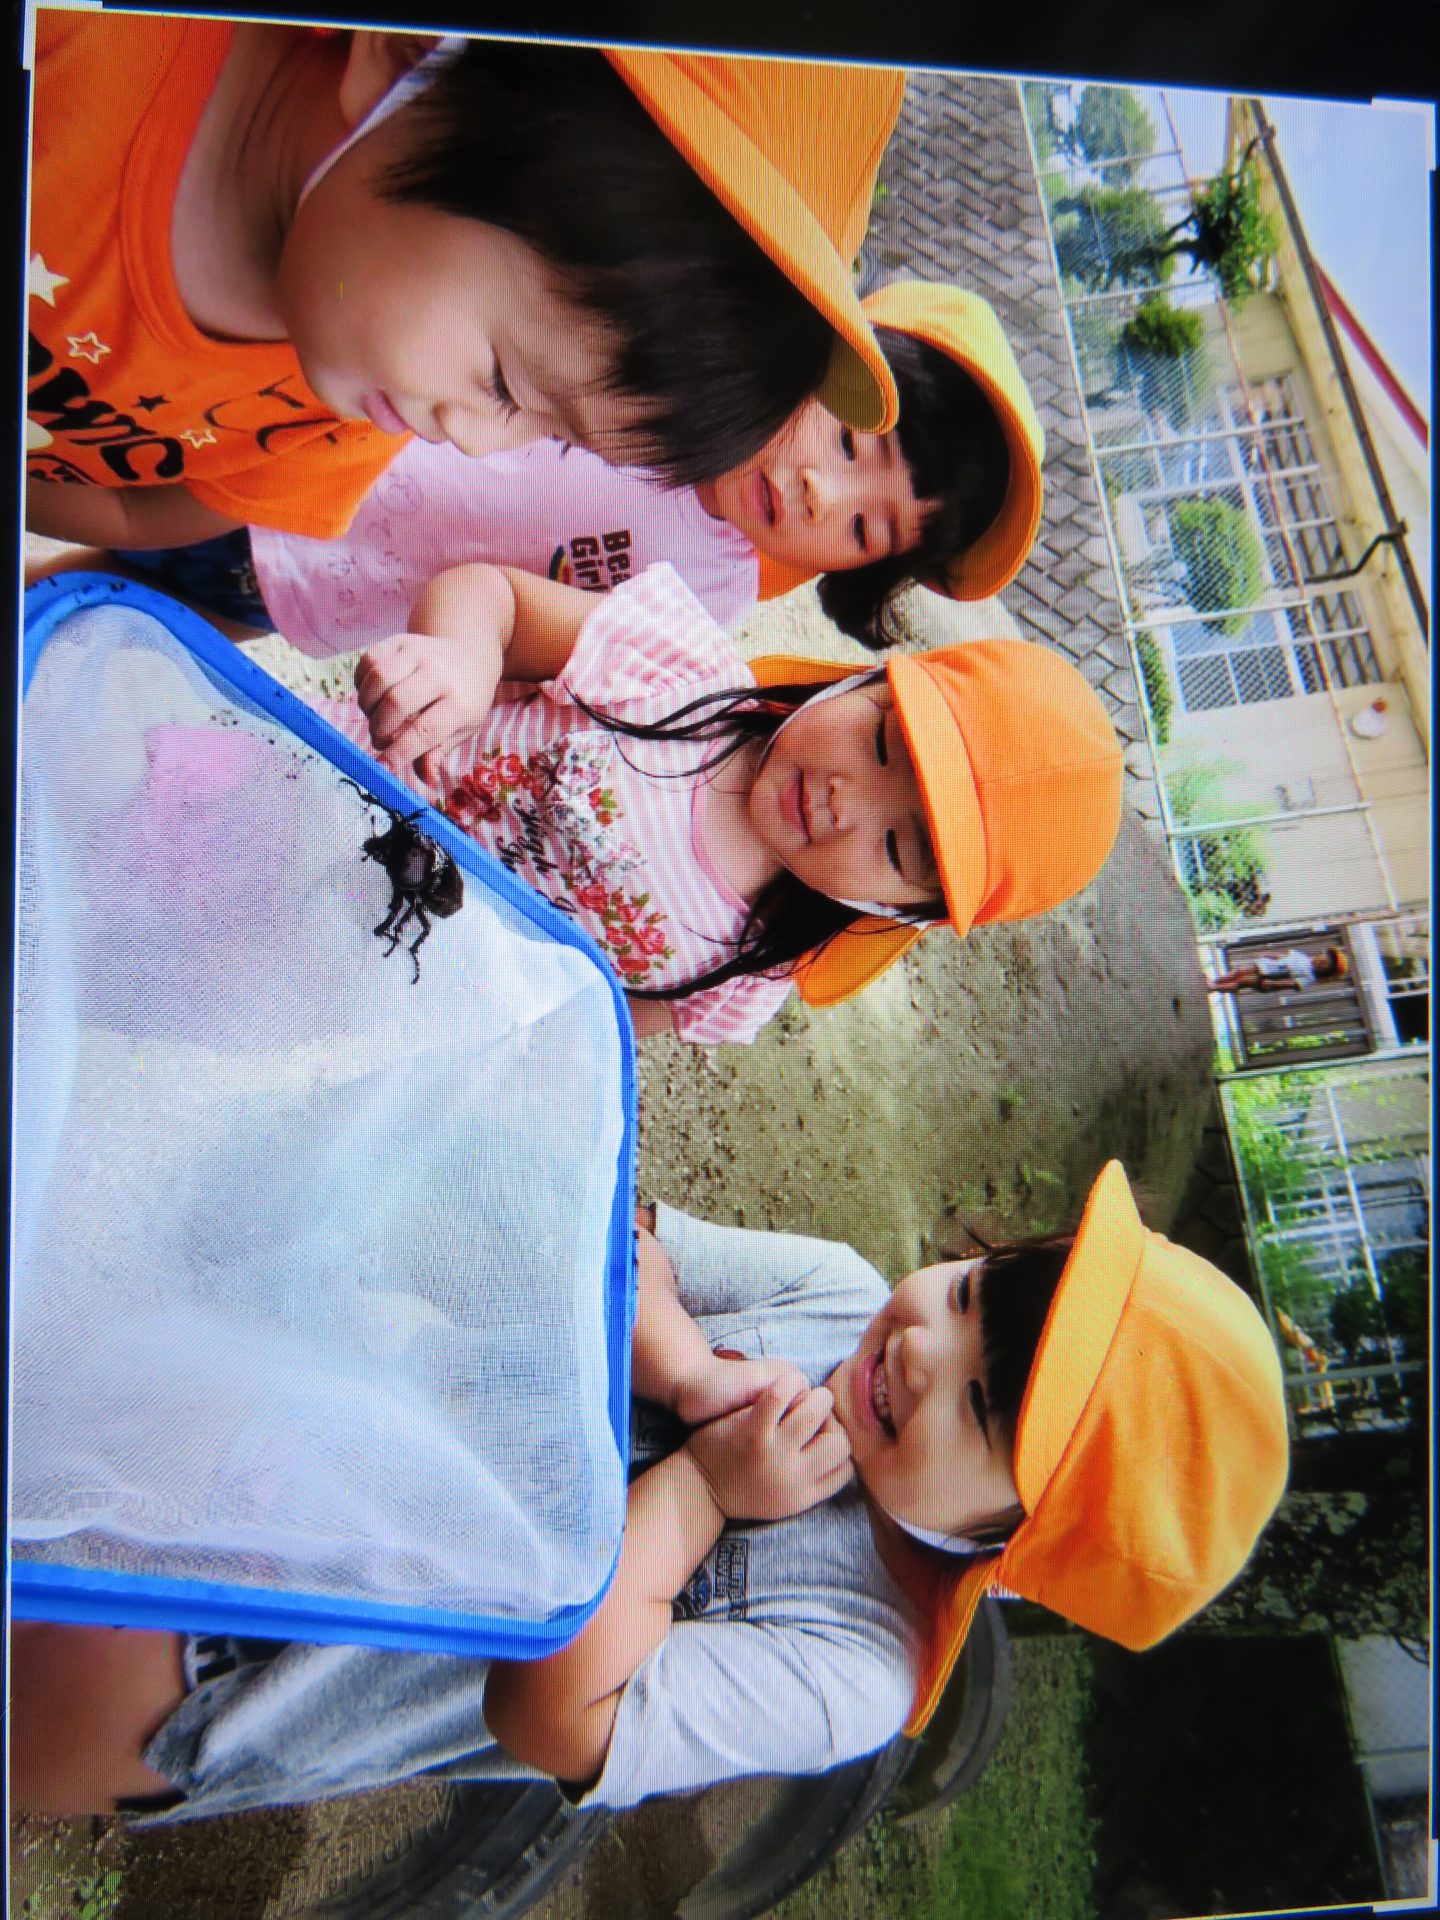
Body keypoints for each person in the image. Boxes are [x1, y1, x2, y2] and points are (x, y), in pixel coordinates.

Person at [9, 1162, 1291, 1819]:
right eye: (967, 1295)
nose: (921, 1348)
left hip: (264, 1665)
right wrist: (681, 1365)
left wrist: (703, 1490)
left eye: (984, 1405)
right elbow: (614, 1236)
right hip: (301, 1426)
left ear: (1014, 1549)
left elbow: (551, 1718)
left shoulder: (857, 1667)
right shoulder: (836, 1295)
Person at [26, 19, 905, 550]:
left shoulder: (351, 408)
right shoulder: (67, 48)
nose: (479, 445)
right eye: (506, 382)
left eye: (554, 436)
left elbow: (141, 513)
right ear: (406, 52)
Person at [321, 559, 1124, 1041]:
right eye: (882, 742)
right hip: (327, 780)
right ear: (863, 682)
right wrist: (461, 659)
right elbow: (492, 595)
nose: (843, 802)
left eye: (894, 846)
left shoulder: (747, 973)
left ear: (901, 911)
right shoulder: (681, 670)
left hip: (374, 983)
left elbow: (593, 1020)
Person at [103, 281, 1045, 651]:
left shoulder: (705, 598)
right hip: (299, 448)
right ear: (830, 365)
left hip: (325, 596)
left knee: (123, 622)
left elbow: (544, 654)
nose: (817, 493)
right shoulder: (669, 351)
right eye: (848, 445)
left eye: (864, 528)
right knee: (107, 494)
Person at [1207, 946, 1348, 995]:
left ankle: (1214, 987)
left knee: (1242, 982)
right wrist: (1266, 954)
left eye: (1325, 964)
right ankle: (1215, 981)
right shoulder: (1303, 957)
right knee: (1239, 971)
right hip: (1266, 965)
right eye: (1324, 957)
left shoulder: (1309, 977)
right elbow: (1283, 956)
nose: (1321, 961)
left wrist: (1273, 984)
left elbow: (1292, 983)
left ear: (1325, 971)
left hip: (1270, 978)